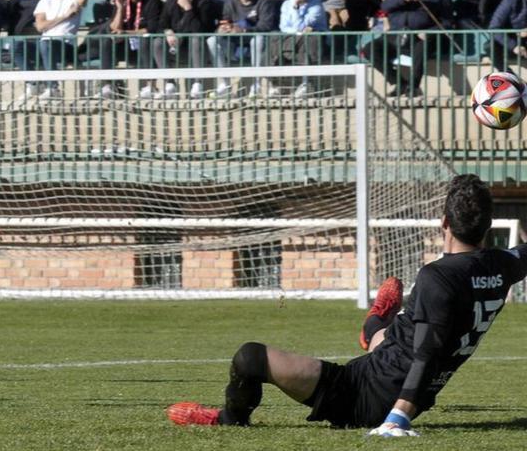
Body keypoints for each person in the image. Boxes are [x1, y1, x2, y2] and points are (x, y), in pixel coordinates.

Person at [167, 174, 526, 437]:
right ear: (489, 226)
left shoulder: (437, 276)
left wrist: (397, 418)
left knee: (249, 357)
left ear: (444, 222)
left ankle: (231, 419)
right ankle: (376, 323)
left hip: (366, 393)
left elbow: (426, 355)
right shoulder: (502, 265)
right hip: (395, 361)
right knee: (390, 334)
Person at [364, 0, 453, 98]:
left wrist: (428, 31)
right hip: (396, 35)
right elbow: (385, 6)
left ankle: (413, 87)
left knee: (424, 44)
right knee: (370, 48)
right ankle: (398, 83)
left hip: (419, 39)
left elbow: (447, 22)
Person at [18, 0, 86, 100]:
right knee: (17, 47)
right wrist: (65, 16)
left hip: (65, 46)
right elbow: (40, 26)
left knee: (46, 43)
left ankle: (53, 88)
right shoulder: (44, 1)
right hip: (46, 45)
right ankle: (33, 84)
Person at [208, 0, 278, 97]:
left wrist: (244, 31)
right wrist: (223, 29)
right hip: (234, 45)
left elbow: (266, 26)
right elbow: (225, 20)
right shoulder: (230, 3)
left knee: (258, 39)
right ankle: (225, 84)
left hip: (257, 47)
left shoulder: (263, 0)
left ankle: (256, 83)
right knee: (212, 40)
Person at [150, 0, 215, 99]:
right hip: (174, 46)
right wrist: (168, 32)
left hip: (195, 49)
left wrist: (188, 9)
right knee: (157, 42)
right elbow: (161, 23)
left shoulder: (204, 3)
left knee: (197, 39)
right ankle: (170, 84)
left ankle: (197, 83)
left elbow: (200, 30)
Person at [97, 0, 162, 99]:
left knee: (145, 39)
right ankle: (107, 86)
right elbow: (114, 30)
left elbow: (152, 28)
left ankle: (151, 86)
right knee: (107, 41)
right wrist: (120, 9)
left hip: (145, 47)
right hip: (126, 47)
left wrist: (126, 33)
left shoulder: (152, 1)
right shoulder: (122, 2)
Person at [269, 0, 327, 98]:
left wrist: (296, 8)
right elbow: (284, 27)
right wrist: (298, 31)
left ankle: (307, 83)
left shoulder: (316, 4)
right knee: (274, 37)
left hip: (315, 38)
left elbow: (300, 26)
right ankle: (276, 85)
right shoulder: (286, 4)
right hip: (293, 37)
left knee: (309, 38)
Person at [488, 0, 527, 74]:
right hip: (510, 38)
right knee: (491, 47)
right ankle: (511, 78)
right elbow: (494, 27)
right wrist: (514, 46)